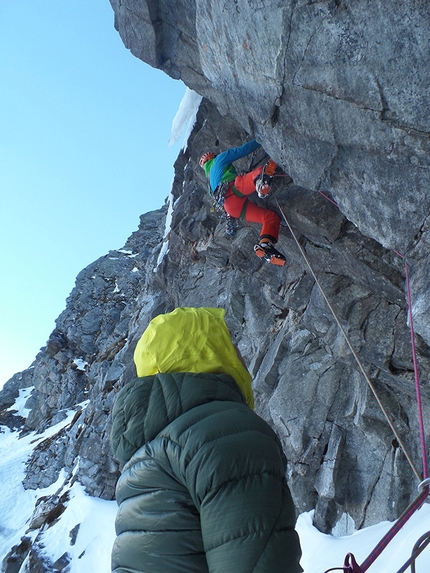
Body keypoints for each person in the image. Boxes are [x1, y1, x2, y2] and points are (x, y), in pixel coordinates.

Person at [110, 307, 303, 573]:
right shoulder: (225, 431)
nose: (238, 351)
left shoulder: (145, 456)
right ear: (209, 351)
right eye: (226, 340)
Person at [200, 140, 286, 266]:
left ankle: (265, 243)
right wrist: (260, 138)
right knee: (254, 175)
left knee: (270, 217)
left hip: (232, 209)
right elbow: (242, 150)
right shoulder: (218, 160)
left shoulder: (210, 184)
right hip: (233, 191)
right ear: (212, 157)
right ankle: (260, 182)